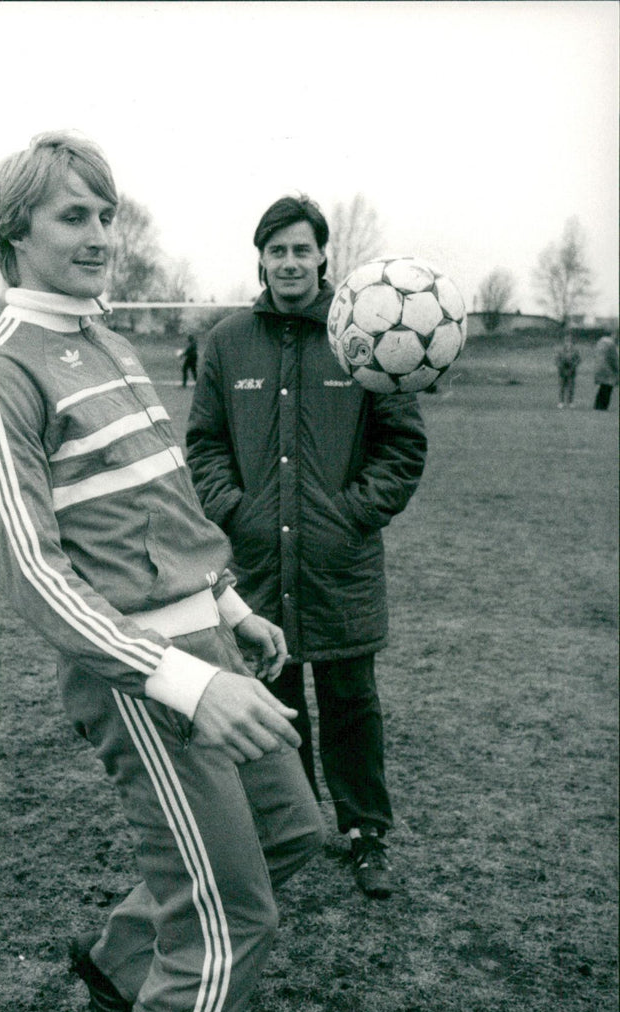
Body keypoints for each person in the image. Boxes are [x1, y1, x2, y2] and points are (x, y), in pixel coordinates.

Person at [0, 132, 324, 1012]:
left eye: (107, 215)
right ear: (12, 234)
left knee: (293, 830)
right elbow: (35, 572)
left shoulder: (109, 345)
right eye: (74, 216)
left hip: (206, 645)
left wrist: (229, 607)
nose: (101, 236)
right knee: (229, 918)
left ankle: (115, 965)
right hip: (141, 680)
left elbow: (162, 508)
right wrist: (180, 673)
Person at [186, 195, 427, 900]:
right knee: (273, 703)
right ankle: (285, 831)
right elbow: (203, 446)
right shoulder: (228, 342)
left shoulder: (362, 335)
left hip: (340, 563)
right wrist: (238, 512)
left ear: (324, 257)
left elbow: (403, 447)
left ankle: (366, 836)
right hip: (259, 563)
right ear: (259, 258)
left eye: (302, 249)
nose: (289, 261)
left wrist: (352, 515)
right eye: (276, 249)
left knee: (352, 702)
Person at [593, 329, 619, 410]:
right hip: (608, 369)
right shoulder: (611, 345)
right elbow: (613, 359)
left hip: (599, 367)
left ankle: (597, 405)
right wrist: (617, 369)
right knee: (607, 388)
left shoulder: (600, 342)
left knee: (602, 388)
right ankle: (603, 407)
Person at [554, 330, 580, 408]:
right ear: (564, 342)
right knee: (562, 387)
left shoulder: (575, 351)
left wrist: (573, 366)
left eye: (570, 341)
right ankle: (561, 402)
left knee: (571, 387)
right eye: (567, 341)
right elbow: (557, 360)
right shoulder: (560, 350)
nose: (568, 343)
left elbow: (578, 359)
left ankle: (570, 402)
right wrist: (560, 367)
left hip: (572, 371)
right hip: (562, 371)